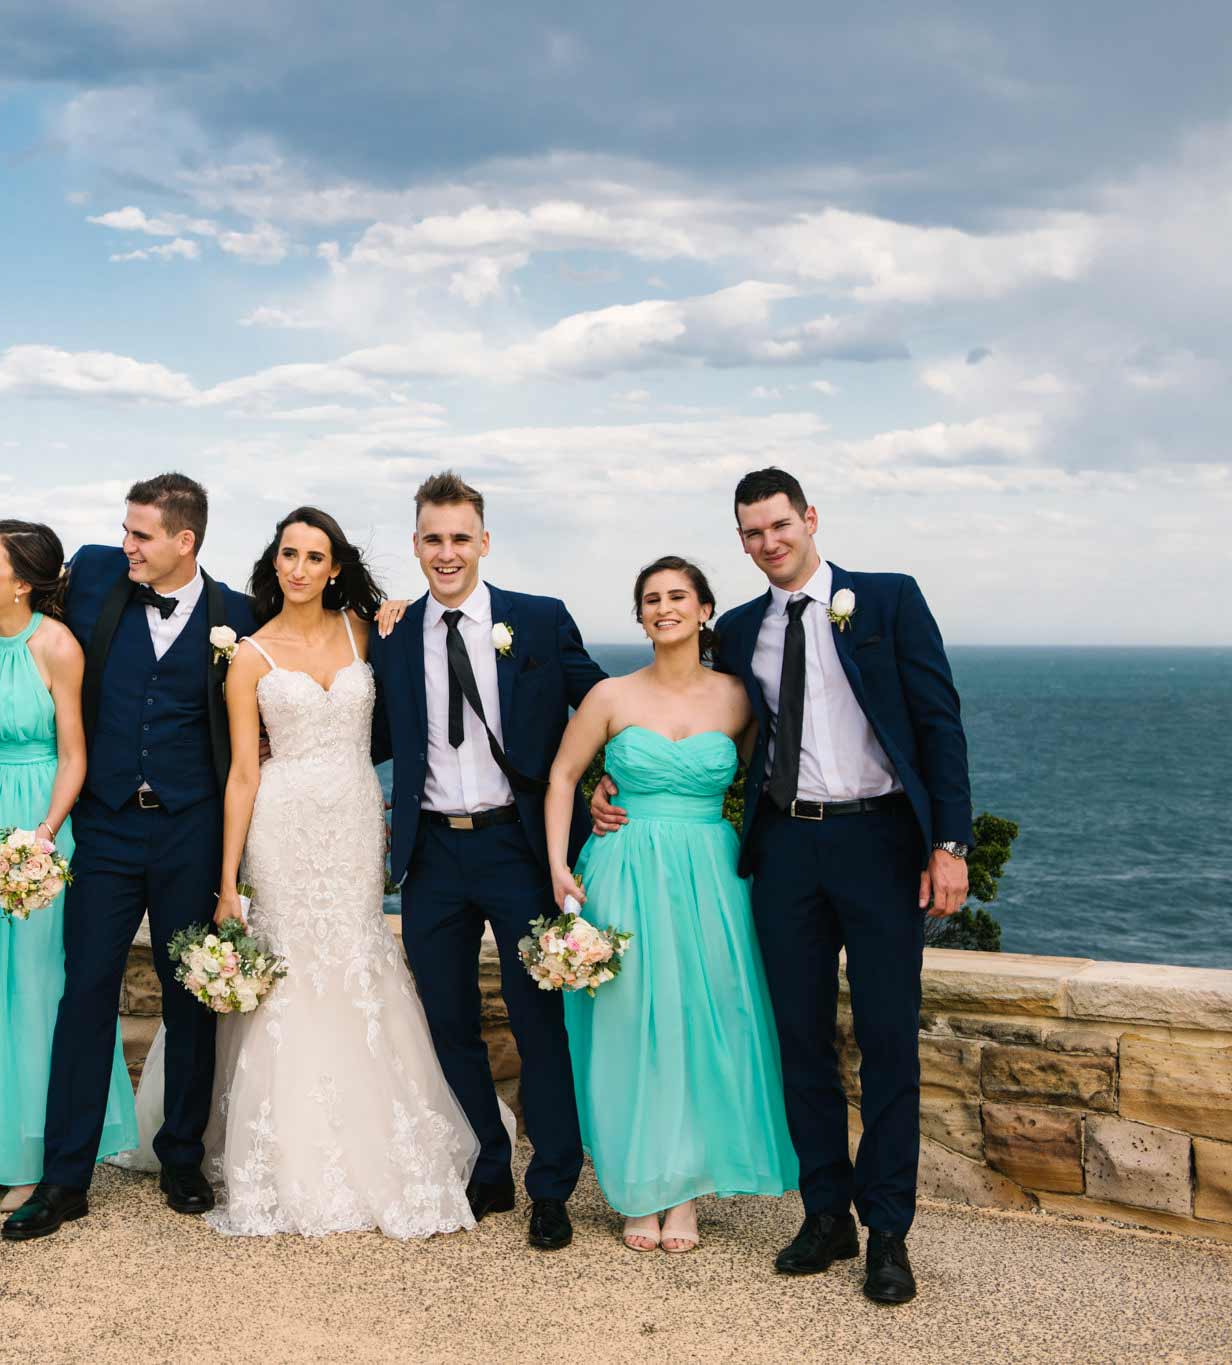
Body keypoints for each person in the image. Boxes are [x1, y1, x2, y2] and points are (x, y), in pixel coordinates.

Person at [592, 467, 972, 1305]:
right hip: (784, 851)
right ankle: (825, 1214)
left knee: (887, 1043)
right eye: (751, 532)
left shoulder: (889, 599)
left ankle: (889, 1234)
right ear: (740, 540)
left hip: (879, 842)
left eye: (779, 525)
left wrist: (949, 842)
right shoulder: (737, 628)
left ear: (808, 517)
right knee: (797, 1039)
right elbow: (678, 701)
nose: (768, 542)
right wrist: (609, 777)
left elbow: (940, 724)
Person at [0, 473, 259, 1242]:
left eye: (141, 534)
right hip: (103, 828)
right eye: (125, 528)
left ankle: (182, 1157)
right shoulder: (100, 571)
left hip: (191, 831)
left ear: (186, 540)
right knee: (82, 995)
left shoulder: (235, 614)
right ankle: (65, 1177)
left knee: (190, 996)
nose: (125, 543)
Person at [132, 506, 479, 1237]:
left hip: (354, 819)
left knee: (356, 956)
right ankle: (281, 1147)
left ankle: (380, 1134)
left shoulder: (367, 632)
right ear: (276, 562)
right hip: (281, 825)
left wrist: (394, 611)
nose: (297, 567)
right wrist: (227, 883)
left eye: (313, 556)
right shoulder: (249, 655)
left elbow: (420, 688)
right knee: (289, 968)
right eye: (287, 553)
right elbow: (241, 776)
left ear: (334, 567)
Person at [370, 470, 607, 1254]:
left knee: (539, 1023)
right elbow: (370, 733)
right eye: (432, 539)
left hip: (517, 845)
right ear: (415, 545)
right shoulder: (394, 632)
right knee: (446, 1020)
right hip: (431, 852)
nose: (447, 553)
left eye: (460, 538)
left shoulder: (537, 621)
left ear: (484, 541)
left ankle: (553, 1185)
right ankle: (490, 1158)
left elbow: (601, 702)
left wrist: (613, 778)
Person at [544, 556, 797, 1255]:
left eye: (677, 596)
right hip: (623, 872)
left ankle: (682, 1191)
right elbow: (565, 775)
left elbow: (761, 777)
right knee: (628, 1024)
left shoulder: (741, 697)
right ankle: (636, 1187)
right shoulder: (609, 696)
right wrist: (561, 865)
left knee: (697, 1020)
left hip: (711, 876)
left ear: (704, 609)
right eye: (651, 599)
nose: (664, 607)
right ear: (640, 615)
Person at [0, 522, 135, 1212]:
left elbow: (75, 752)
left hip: (39, 818)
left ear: (23, 581)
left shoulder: (56, 645)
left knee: (35, 986)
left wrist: (43, 836)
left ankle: (30, 1150)